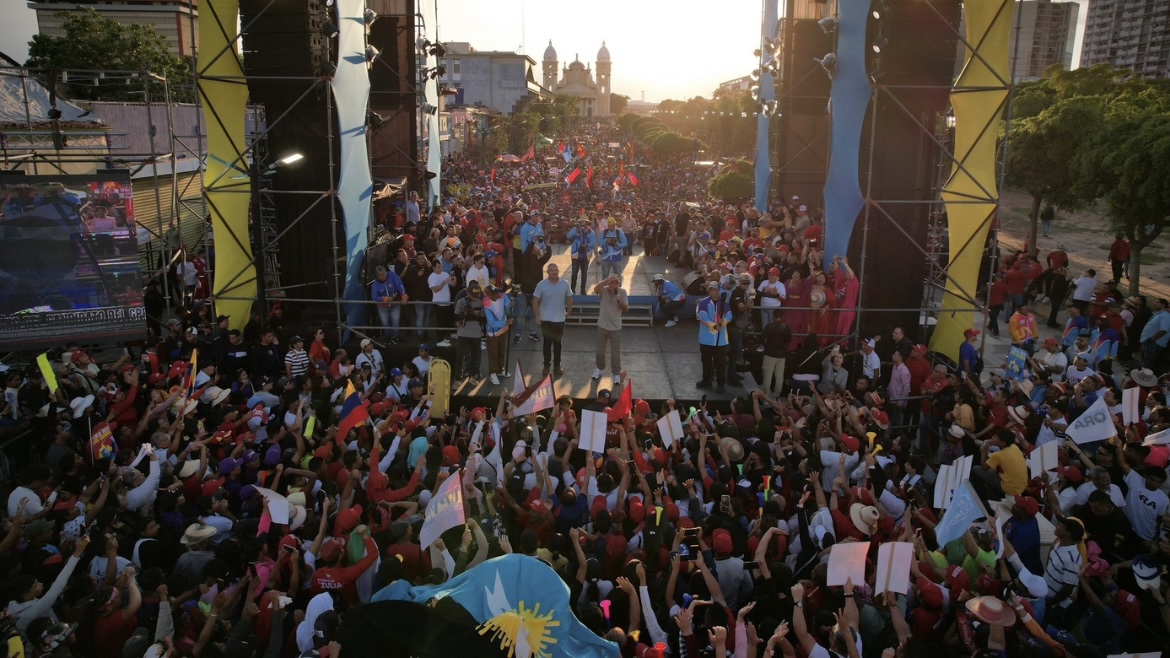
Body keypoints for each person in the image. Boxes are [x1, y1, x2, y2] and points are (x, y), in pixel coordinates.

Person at [533, 263, 572, 377]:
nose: (554, 272)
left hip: (560, 319)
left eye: (556, 270)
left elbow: (569, 298)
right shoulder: (541, 285)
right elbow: (535, 301)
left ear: (558, 271)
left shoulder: (565, 284)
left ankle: (557, 366)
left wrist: (569, 311)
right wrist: (537, 316)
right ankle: (546, 365)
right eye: (551, 270)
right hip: (546, 319)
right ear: (547, 272)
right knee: (547, 343)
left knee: (558, 344)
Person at [591, 274, 628, 385]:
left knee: (615, 352)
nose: (614, 285)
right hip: (602, 326)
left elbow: (626, 309)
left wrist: (620, 301)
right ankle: (599, 368)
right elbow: (595, 289)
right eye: (612, 282)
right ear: (608, 283)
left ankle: (616, 373)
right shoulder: (604, 290)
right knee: (600, 350)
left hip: (615, 328)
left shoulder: (622, 292)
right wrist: (606, 280)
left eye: (616, 283)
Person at [696, 281, 731, 392]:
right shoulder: (703, 303)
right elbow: (702, 317)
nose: (712, 291)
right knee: (706, 361)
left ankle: (721, 383)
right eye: (710, 289)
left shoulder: (724, 303)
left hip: (721, 341)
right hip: (706, 339)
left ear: (719, 291)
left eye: (714, 289)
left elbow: (729, 315)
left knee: (720, 363)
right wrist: (715, 326)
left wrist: (723, 322)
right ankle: (706, 380)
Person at [453, 280, 486, 382]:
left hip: (476, 333)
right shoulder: (461, 301)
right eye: (473, 295)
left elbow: (484, 319)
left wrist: (476, 315)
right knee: (460, 356)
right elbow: (456, 318)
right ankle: (458, 377)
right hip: (463, 332)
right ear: (467, 292)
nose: (474, 297)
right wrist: (463, 314)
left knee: (475, 356)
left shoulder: (481, 303)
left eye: (476, 295)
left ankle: (472, 374)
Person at [483, 284, 513, 385]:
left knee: (502, 350)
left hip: (503, 330)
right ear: (488, 295)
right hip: (493, 333)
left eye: (497, 292)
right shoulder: (486, 304)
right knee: (493, 353)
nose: (497, 295)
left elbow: (507, 306)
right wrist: (505, 323)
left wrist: (510, 305)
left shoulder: (502, 296)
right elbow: (491, 323)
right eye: (494, 294)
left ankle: (501, 369)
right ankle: (493, 373)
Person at [759, 309, 791, 396]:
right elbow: (789, 339)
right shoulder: (786, 327)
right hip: (781, 355)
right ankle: (777, 395)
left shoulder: (769, 326)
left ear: (773, 316)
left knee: (767, 376)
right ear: (782, 317)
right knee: (779, 377)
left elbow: (762, 339)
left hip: (770, 354)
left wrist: (766, 346)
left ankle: (765, 395)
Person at [371, 265, 407, 342]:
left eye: (383, 274)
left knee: (395, 320)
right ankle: (387, 337)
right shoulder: (375, 284)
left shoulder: (392, 275)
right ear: (377, 276)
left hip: (395, 303)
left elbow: (400, 285)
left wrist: (404, 295)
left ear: (386, 272)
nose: (382, 276)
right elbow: (374, 297)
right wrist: (386, 299)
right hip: (382, 306)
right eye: (379, 275)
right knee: (384, 322)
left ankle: (395, 337)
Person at [566, 219, 596, 294]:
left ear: (586, 222)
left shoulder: (590, 231)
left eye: (584, 222)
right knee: (574, 272)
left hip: (586, 254)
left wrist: (587, 245)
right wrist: (576, 230)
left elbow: (593, 242)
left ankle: (583, 289)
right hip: (576, 254)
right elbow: (568, 236)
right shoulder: (575, 229)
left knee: (584, 273)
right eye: (581, 222)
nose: (582, 224)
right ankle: (572, 288)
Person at [1139, 297, 1170, 369]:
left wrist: (1153, 339)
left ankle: (1143, 377)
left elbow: (1164, 330)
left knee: (1147, 362)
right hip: (1149, 341)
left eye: (1157, 302)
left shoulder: (1165, 316)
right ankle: (1139, 375)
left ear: (1163, 305)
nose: (1154, 303)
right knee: (1143, 360)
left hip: (1155, 343)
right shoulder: (1158, 314)